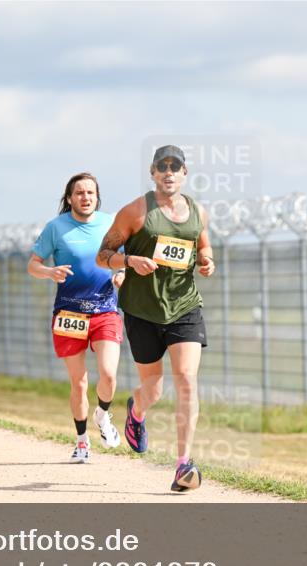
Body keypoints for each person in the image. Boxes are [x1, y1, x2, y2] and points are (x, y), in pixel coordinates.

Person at [96, 145, 215, 491]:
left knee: (187, 379)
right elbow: (103, 255)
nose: (168, 172)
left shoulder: (197, 212)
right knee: (154, 389)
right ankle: (137, 411)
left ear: (184, 173)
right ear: (152, 173)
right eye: (162, 167)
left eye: (174, 167)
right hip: (143, 311)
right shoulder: (135, 212)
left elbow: (203, 246)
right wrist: (129, 261)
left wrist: (207, 261)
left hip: (184, 306)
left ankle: (183, 464)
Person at [28, 172, 125, 462]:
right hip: (69, 313)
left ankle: (103, 415)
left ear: (97, 197)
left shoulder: (110, 224)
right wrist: (50, 272)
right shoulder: (56, 227)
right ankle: (82, 442)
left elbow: (124, 259)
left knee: (108, 373)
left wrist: (121, 273)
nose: (85, 197)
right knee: (79, 382)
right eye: (79, 193)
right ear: (69, 198)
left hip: (105, 309)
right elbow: (33, 265)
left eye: (90, 193)